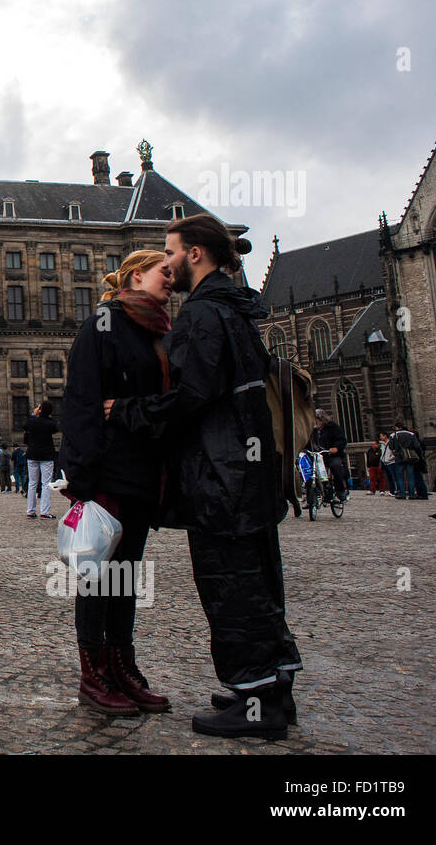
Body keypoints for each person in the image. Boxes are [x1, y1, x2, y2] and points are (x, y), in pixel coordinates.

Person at [105, 214, 301, 739]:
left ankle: (256, 703)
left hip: (221, 471)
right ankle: (274, 689)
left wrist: (126, 411)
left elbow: (190, 397)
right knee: (260, 578)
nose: (165, 262)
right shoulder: (238, 309)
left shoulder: (200, 315)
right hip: (252, 468)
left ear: (194, 253)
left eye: (169, 251)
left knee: (228, 583)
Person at [60, 249, 174, 717]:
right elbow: (82, 402)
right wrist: (81, 479)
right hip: (108, 470)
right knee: (97, 576)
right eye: (163, 271)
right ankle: (94, 674)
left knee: (126, 577)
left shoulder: (159, 331)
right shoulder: (100, 325)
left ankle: (125, 668)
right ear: (135, 275)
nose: (172, 276)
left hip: (144, 470)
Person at [24, 402, 59, 519]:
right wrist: (47, 415)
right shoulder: (50, 423)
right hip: (46, 456)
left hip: (32, 455)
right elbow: (55, 428)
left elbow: (26, 425)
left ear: (39, 409)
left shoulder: (32, 421)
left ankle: (30, 511)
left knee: (32, 483)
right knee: (46, 484)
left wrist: (34, 415)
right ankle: (44, 512)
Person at [311, 409, 348, 502]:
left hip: (332, 455)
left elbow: (342, 439)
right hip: (319, 456)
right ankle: (314, 497)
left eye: (317, 420)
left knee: (336, 467)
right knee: (311, 472)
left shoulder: (333, 427)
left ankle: (340, 491)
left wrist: (336, 448)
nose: (316, 422)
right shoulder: (313, 430)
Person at [388, 423, 423, 500]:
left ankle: (402, 494)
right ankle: (412, 494)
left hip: (399, 457)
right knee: (410, 476)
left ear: (397, 427)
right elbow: (417, 446)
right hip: (409, 457)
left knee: (400, 477)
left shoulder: (393, 435)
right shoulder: (411, 434)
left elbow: (390, 446)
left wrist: (395, 451)